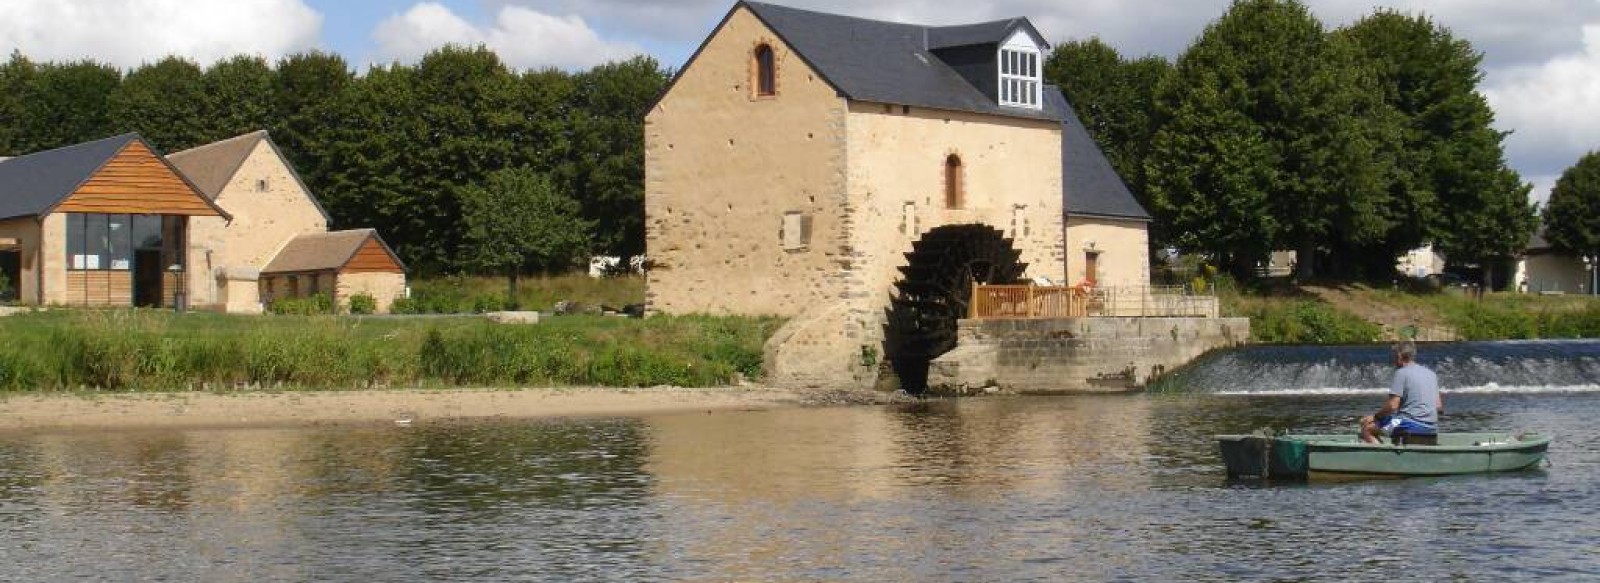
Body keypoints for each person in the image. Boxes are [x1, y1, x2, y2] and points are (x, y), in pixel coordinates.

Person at [1360, 341, 1443, 444]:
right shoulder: (1431, 374)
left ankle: (1382, 457)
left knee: (1367, 428)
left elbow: (1392, 406)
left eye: (1393, 356)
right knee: (1387, 422)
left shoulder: (1401, 373)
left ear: (1399, 356)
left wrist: (1375, 417)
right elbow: (1439, 407)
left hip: (1409, 424)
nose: (1393, 360)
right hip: (1432, 428)